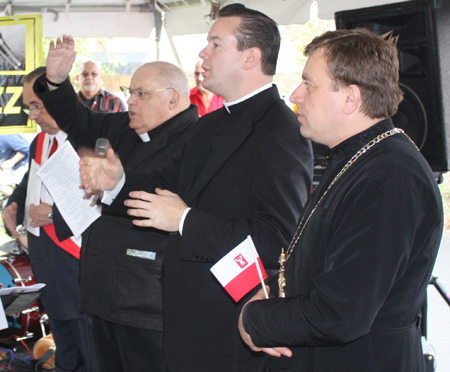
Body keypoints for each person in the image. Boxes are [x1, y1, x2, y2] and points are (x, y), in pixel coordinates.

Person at [75, 4, 313, 371]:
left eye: (216, 44)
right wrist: (116, 183)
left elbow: (276, 239)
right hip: (182, 315)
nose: (203, 54)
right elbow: (166, 187)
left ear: (251, 57)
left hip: (229, 325)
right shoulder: (209, 123)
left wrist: (185, 220)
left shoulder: (281, 132)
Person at [238, 28, 444, 372]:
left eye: (310, 84)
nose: (295, 94)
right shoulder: (361, 156)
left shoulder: (390, 178)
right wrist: (273, 292)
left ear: (350, 98)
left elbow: (340, 313)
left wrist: (254, 319)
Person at [33, 55, 198, 371]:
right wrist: (55, 82)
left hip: (147, 302)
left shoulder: (197, 140)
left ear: (173, 98)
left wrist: (116, 183)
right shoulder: (122, 126)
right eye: (129, 91)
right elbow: (78, 120)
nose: (131, 101)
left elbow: (159, 192)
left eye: (141, 94)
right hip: (100, 291)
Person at [3, 66, 98, 372]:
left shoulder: (91, 139)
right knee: (66, 356)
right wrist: (14, 203)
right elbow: (31, 180)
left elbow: (106, 202)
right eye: (28, 106)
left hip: (79, 267)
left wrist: (54, 214)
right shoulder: (40, 141)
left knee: (91, 355)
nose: (32, 115)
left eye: (36, 106)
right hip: (47, 266)